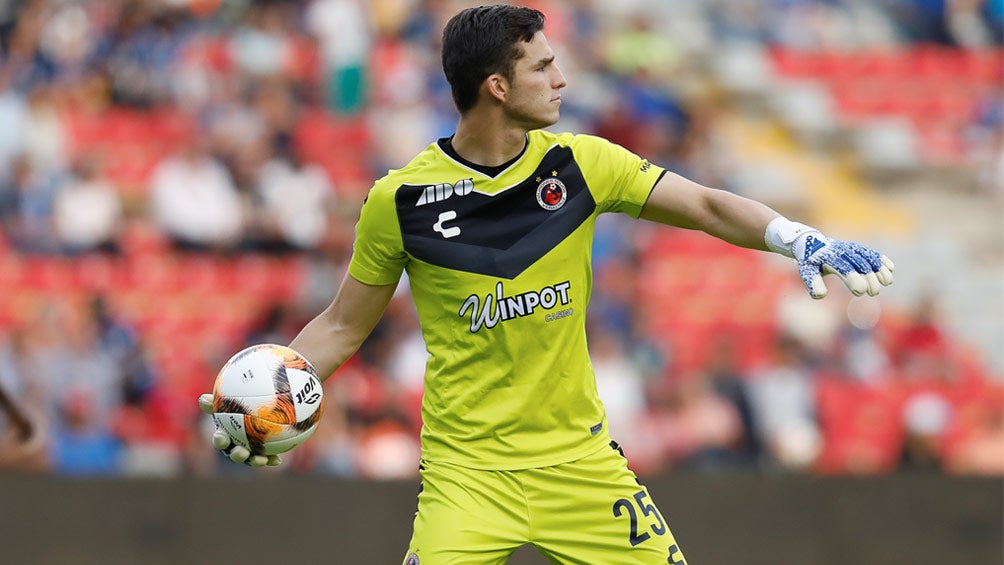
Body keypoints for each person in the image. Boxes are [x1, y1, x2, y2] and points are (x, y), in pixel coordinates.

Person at [198, 5, 895, 563]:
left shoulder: (584, 163)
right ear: (497, 86)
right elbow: (344, 323)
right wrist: (263, 397)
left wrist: (797, 237)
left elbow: (709, 205)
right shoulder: (400, 199)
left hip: (582, 465)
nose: (561, 79)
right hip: (467, 475)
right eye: (543, 65)